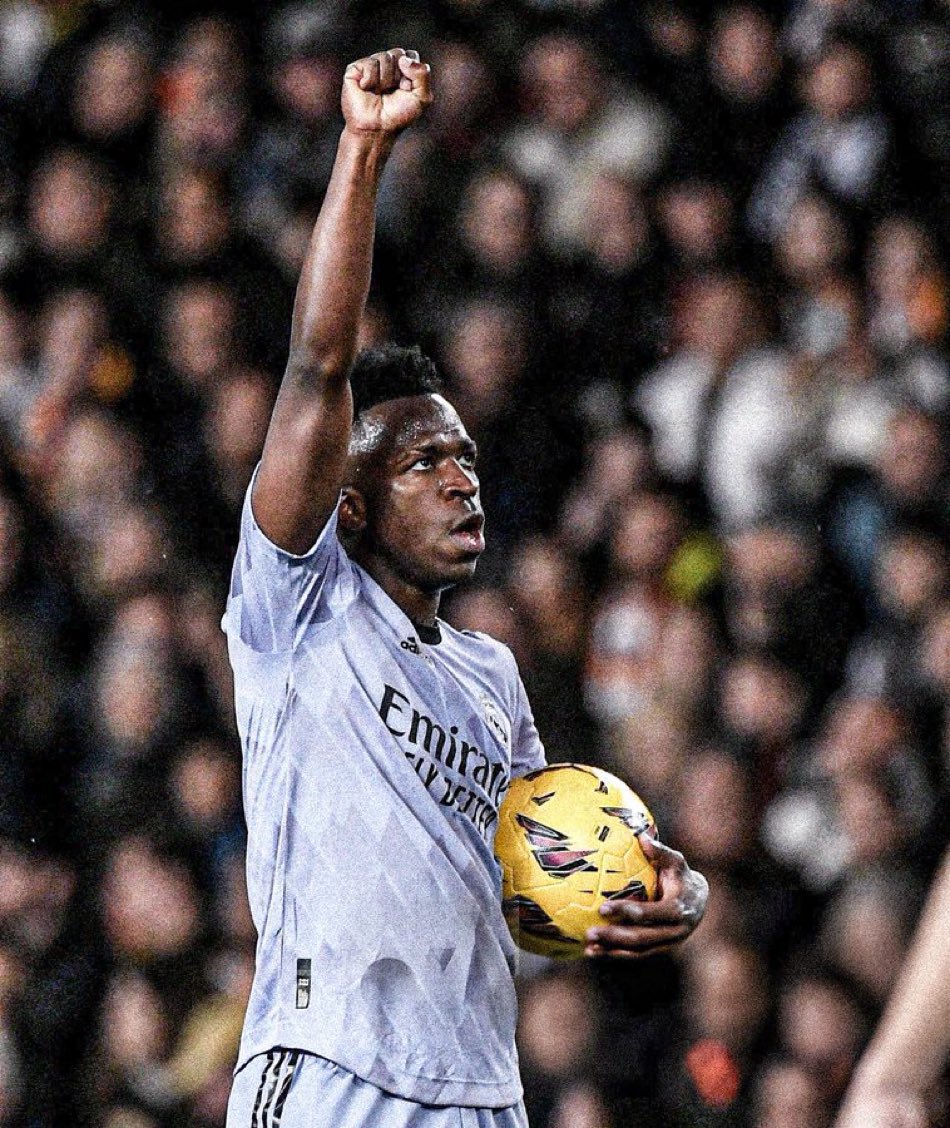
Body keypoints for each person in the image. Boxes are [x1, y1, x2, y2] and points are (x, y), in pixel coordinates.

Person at [222, 48, 709, 1128]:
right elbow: (313, 368)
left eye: (468, 462)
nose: (458, 480)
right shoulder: (295, 607)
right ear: (348, 507)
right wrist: (362, 149)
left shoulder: (492, 675)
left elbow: (548, 864)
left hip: (482, 1092)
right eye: (420, 464)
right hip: (328, 1066)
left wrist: (670, 891)